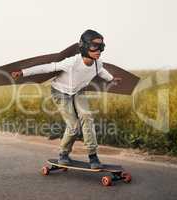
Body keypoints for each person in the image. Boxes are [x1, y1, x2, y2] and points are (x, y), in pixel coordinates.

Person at [11, 29, 121, 169]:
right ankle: (63, 154)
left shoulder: (97, 63)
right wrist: (23, 72)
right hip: (60, 93)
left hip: (78, 92)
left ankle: (93, 156)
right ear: (85, 46)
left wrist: (111, 79)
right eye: (95, 46)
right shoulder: (72, 62)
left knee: (87, 116)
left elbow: (101, 71)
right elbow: (48, 68)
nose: (99, 50)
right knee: (74, 126)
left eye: (102, 47)